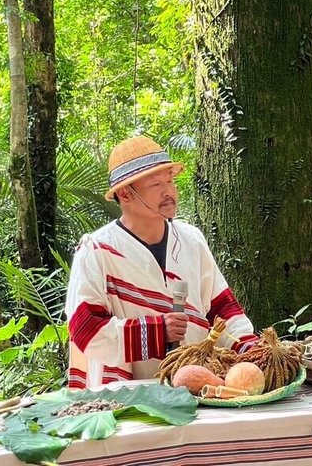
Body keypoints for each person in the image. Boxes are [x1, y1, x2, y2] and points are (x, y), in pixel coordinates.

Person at [65, 136, 257, 389]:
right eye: (156, 184)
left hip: (197, 386)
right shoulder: (98, 250)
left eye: (169, 181)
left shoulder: (191, 239)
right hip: (127, 395)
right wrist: (156, 331)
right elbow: (85, 328)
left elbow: (221, 308)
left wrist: (250, 348)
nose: (169, 192)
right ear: (125, 194)